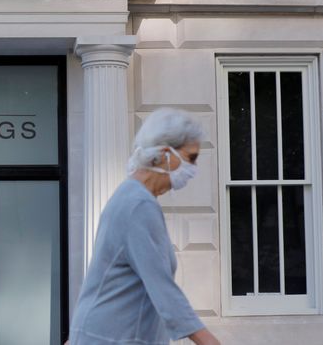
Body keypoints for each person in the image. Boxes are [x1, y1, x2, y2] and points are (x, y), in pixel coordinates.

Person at [66, 108, 221, 345]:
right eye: (191, 158)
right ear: (166, 154)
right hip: (112, 338)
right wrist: (208, 341)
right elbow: (162, 287)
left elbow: (102, 276)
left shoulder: (128, 195)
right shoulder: (139, 205)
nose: (194, 170)